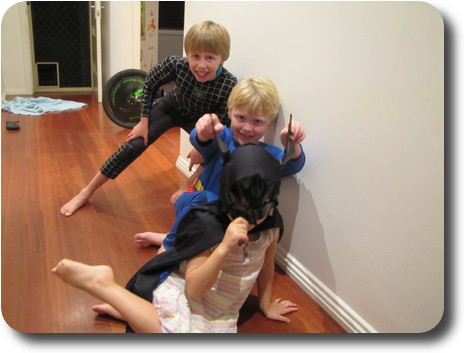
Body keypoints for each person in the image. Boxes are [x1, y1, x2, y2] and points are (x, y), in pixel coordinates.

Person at [52, 144, 298, 333]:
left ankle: (131, 310)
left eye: (260, 210)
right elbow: (195, 289)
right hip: (192, 293)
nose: (251, 220)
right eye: (240, 209)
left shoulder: (271, 226)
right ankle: (103, 284)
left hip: (223, 307)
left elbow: (265, 264)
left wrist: (265, 304)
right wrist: (223, 248)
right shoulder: (209, 225)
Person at [60, 20, 237, 216]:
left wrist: (201, 148)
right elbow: (149, 85)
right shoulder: (176, 65)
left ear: (223, 58)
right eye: (195, 56)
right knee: (133, 145)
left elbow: (222, 127)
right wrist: (143, 122)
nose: (201, 65)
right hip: (171, 107)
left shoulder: (228, 84)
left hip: (198, 120)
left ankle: (187, 185)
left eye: (210, 58)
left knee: (218, 153)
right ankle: (86, 191)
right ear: (187, 54)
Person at [135, 77, 306, 250]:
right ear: (230, 112)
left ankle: (170, 245)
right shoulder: (223, 136)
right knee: (187, 201)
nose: (247, 128)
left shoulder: (265, 155)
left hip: (233, 220)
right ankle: (174, 239)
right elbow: (199, 140)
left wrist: (292, 145)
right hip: (204, 210)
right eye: (240, 117)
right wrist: (203, 132)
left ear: (269, 123)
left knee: (197, 205)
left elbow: (293, 165)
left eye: (257, 121)